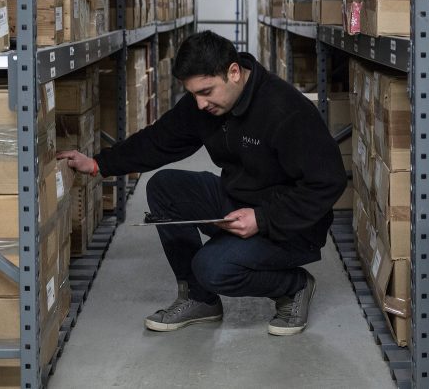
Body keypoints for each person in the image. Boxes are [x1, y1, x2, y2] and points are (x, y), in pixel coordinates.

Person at [57, 30, 346, 336]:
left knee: (212, 268)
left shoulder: (286, 110)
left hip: (293, 225)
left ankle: (294, 286)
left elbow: (327, 182)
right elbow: (160, 139)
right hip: (239, 200)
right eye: (194, 94)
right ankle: (200, 299)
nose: (199, 104)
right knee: (165, 187)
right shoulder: (208, 105)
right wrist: (99, 164)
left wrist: (263, 219)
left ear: (233, 72)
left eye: (206, 92)